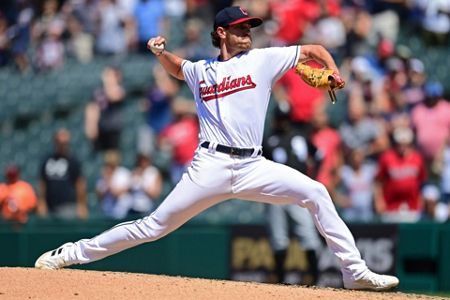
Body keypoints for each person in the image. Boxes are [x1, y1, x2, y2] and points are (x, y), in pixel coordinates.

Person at [35, 6, 399, 291]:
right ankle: (70, 254)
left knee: (316, 192)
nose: (247, 33)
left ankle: (355, 272)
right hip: (208, 164)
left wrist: (333, 70)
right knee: (152, 227)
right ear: (222, 33)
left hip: (253, 165)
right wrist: (161, 54)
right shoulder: (201, 70)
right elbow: (179, 69)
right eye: (241, 28)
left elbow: (314, 50)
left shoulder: (263, 59)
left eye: (249, 28)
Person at [263, 104, 322, 285]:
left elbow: (319, 155)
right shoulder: (270, 139)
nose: (283, 122)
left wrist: (312, 179)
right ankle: (280, 282)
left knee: (308, 236)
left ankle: (314, 279)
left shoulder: (300, 135)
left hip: (298, 193)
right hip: (275, 194)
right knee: (278, 239)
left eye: (285, 118)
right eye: (281, 119)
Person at [37, 128, 88, 220]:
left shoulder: (73, 161)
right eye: (60, 142)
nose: (62, 145)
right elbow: (42, 183)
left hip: (68, 206)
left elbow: (79, 183)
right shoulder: (47, 160)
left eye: (65, 143)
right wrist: (41, 202)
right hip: (50, 206)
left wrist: (81, 205)